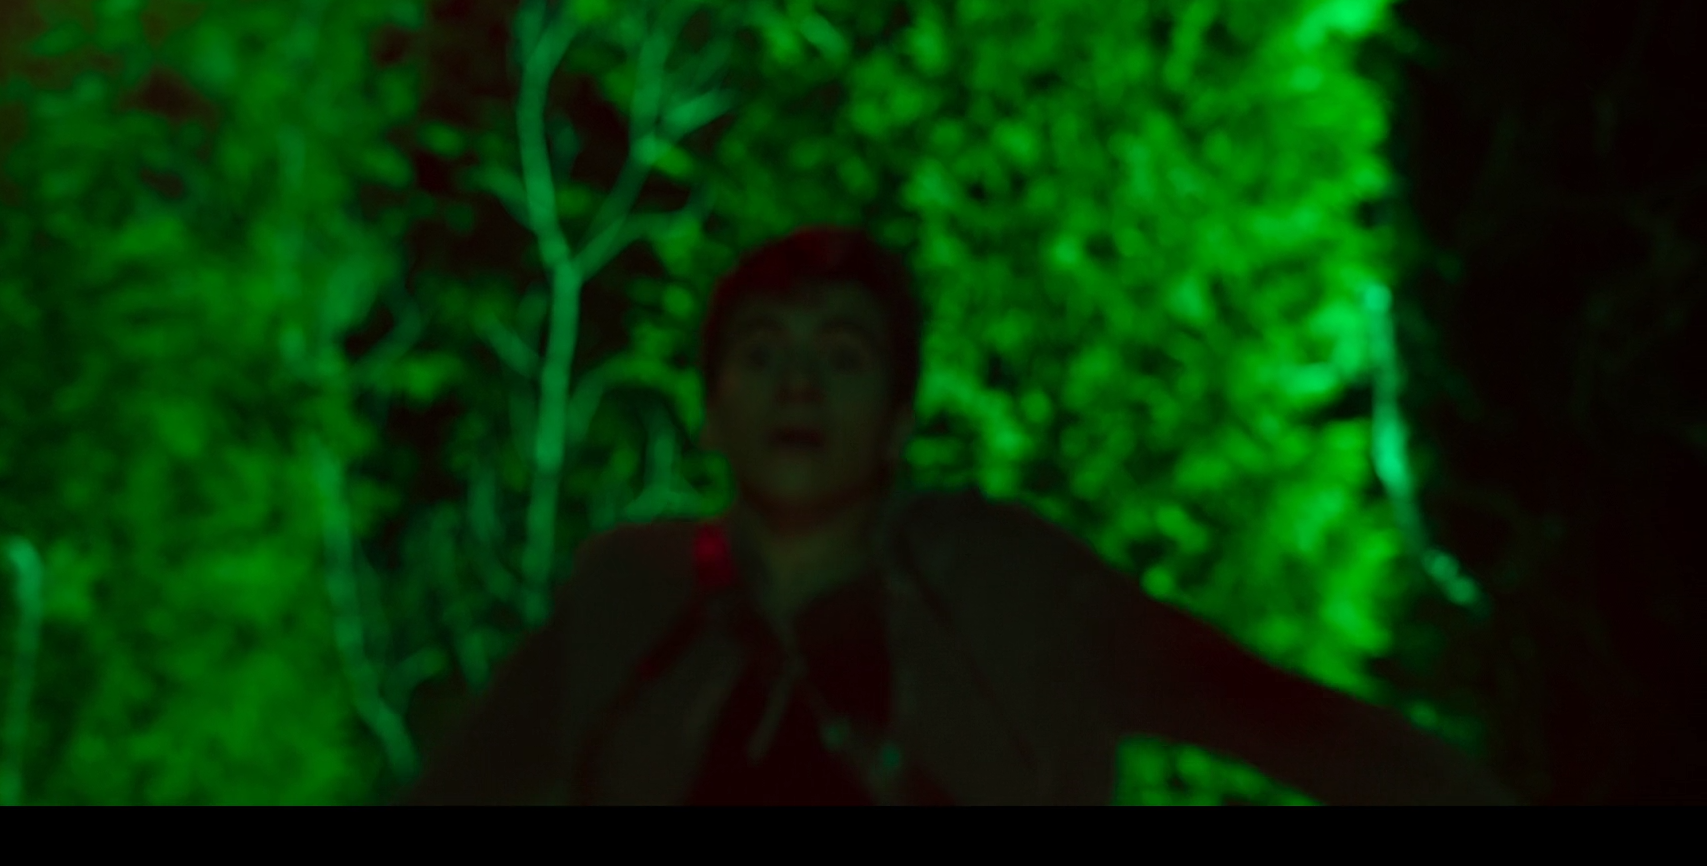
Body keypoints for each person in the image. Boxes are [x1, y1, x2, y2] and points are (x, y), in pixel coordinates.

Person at [403, 225, 1521, 806]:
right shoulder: (634, 601)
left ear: (897, 417)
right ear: (711, 408)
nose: (799, 388)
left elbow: (1280, 719)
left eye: (841, 357)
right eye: (764, 354)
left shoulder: (1007, 588)